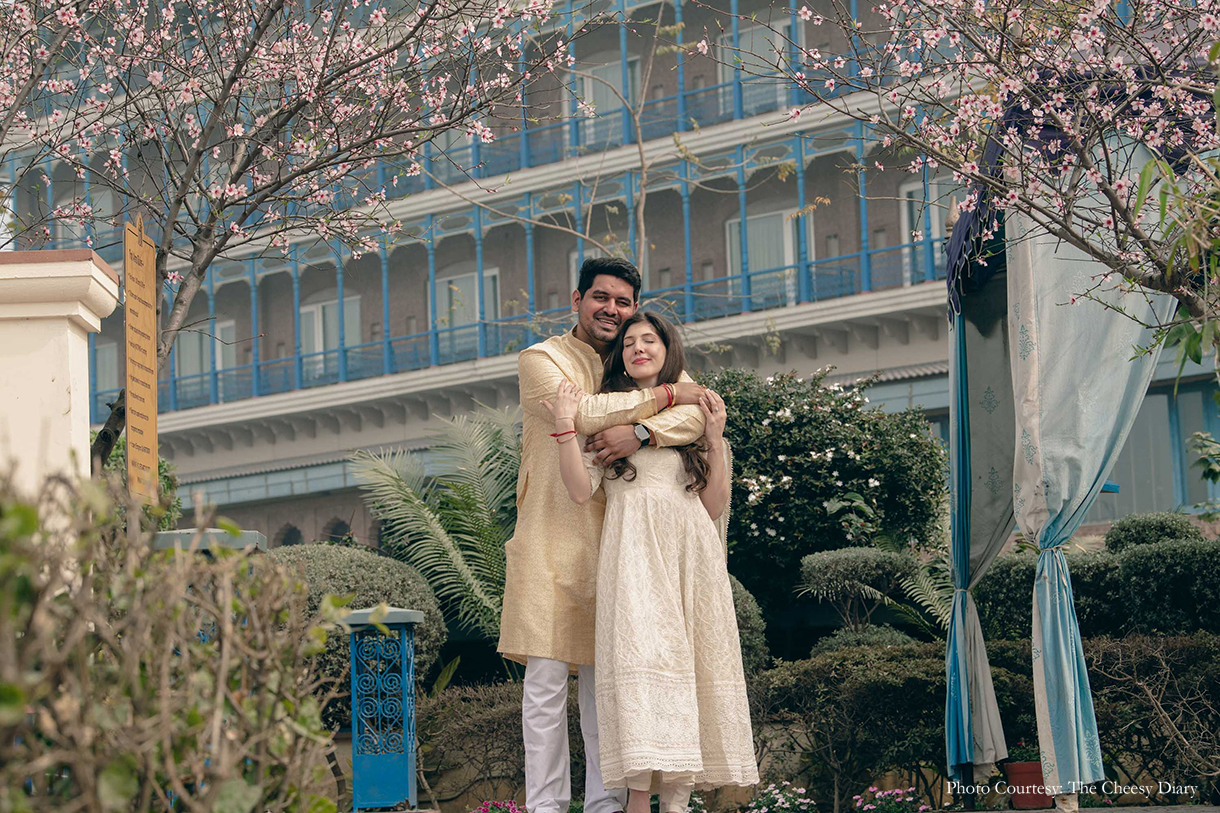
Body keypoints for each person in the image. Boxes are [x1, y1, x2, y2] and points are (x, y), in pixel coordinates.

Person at [497, 258, 708, 813]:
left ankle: (605, 806)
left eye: (622, 301)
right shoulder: (541, 359)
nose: (612, 310)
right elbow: (580, 411)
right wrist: (662, 400)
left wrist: (639, 431)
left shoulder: (640, 352)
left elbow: (701, 416)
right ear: (577, 298)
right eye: (601, 298)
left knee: (607, 687)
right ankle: (545, 807)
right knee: (545, 685)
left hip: (625, 540)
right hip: (551, 532)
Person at [543, 311, 759, 813]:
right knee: (644, 668)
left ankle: (677, 804)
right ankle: (640, 801)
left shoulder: (690, 421)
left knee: (692, 670)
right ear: (619, 356)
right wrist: (562, 425)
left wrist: (716, 438)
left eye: (650, 340)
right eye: (629, 343)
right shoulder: (610, 420)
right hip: (634, 559)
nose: (639, 348)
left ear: (668, 350)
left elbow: (712, 505)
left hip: (691, 556)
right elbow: (579, 491)